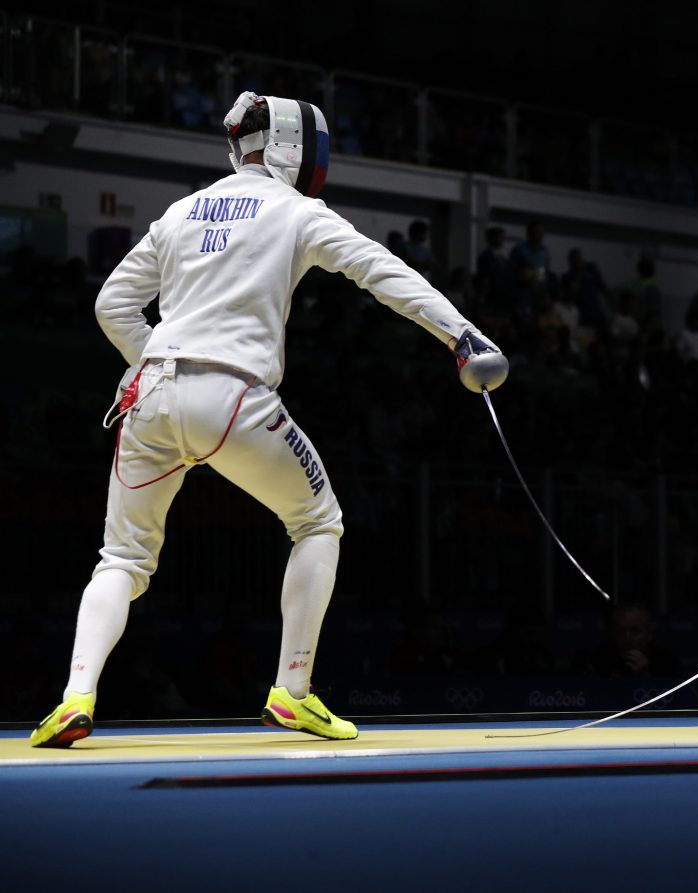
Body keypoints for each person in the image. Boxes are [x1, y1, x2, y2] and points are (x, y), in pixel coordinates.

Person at [30, 91, 509, 748]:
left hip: (147, 400)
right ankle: (293, 690)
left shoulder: (179, 212)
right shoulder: (296, 211)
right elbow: (382, 272)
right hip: (233, 399)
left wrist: (162, 360)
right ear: (293, 147)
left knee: (122, 555)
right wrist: (463, 337)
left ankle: (74, 698)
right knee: (318, 520)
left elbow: (113, 305)